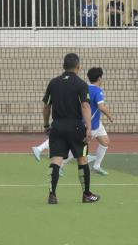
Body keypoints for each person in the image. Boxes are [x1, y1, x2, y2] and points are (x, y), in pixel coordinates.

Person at [42, 53, 99, 205]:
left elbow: (46, 107)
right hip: (76, 126)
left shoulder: (53, 83)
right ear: (78, 67)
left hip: (57, 126)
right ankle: (86, 194)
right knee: (82, 159)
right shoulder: (81, 84)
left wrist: (46, 125)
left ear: (63, 66)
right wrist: (88, 127)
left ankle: (52, 194)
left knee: (56, 159)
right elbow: (85, 106)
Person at [86, 66, 114, 175]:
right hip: (91, 124)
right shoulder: (97, 90)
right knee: (78, 148)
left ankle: (96, 166)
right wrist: (110, 116)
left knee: (105, 141)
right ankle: (60, 165)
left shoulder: (85, 88)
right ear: (99, 78)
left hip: (97, 123)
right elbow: (101, 107)